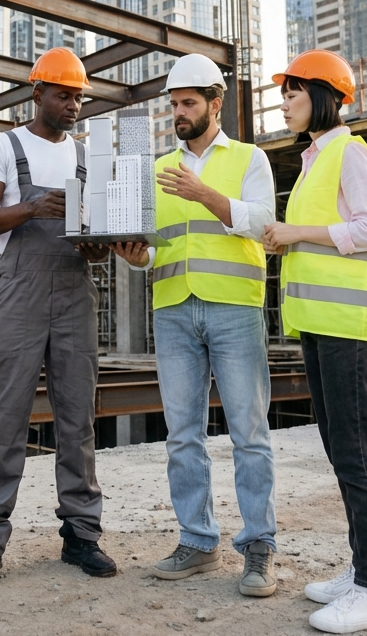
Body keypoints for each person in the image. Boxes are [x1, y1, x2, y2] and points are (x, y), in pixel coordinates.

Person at [112, 53, 279, 598]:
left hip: (234, 309)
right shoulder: (159, 168)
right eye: (173, 105)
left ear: (215, 102)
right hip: (174, 310)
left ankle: (258, 547)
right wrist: (134, 256)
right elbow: (152, 251)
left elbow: (262, 222)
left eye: (187, 103)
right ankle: (197, 540)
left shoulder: (250, 158)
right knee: (183, 435)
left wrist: (205, 194)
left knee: (249, 434)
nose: (178, 113)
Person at [0, 47, 116, 590]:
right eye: (64, 94)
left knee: (78, 417)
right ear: (37, 93)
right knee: (4, 418)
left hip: (75, 287)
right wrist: (33, 207)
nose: (73, 105)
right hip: (19, 289)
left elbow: (94, 244)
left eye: (79, 97)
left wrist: (102, 246)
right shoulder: (5, 145)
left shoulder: (88, 157)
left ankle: (81, 535)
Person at [261, 49, 367, 634]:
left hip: (351, 330)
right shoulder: (316, 158)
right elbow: (331, 235)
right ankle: (362, 568)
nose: (284, 101)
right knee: (342, 451)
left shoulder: (351, 151)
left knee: (360, 455)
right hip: (322, 326)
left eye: (292, 92)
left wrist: (296, 232)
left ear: (322, 95)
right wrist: (290, 243)